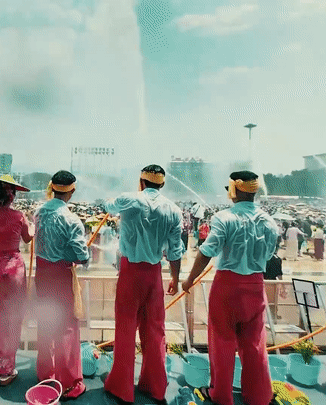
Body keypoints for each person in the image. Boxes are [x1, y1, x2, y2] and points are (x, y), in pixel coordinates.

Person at [182, 171, 279, 405]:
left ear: (234, 190)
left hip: (227, 286)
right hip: (255, 286)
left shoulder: (224, 218)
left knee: (222, 342)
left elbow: (206, 252)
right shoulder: (269, 222)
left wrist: (190, 279)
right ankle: (259, 395)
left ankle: (220, 394)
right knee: (254, 344)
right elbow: (268, 256)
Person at [103, 164, 185, 404]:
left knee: (125, 329)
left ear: (141, 181)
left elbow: (108, 206)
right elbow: (175, 251)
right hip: (154, 274)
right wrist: (175, 278)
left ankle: (122, 388)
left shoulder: (129, 200)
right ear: (162, 184)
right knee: (155, 330)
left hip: (130, 272)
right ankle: (155, 386)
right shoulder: (173, 209)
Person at [33, 170, 89, 400]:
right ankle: (68, 383)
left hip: (42, 274)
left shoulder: (38, 212)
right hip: (61, 276)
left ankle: (46, 374)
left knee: (46, 321)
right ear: (72, 191)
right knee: (67, 327)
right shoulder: (72, 219)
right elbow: (81, 255)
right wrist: (81, 257)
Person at [0, 174, 34, 385]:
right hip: (14, 270)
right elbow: (28, 238)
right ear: (12, 196)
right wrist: (32, 223)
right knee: (12, 317)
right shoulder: (19, 216)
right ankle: (7, 369)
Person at [264, 244, 287, 320]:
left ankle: (271, 315)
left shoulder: (260, 257)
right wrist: (283, 286)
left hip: (261, 281)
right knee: (272, 301)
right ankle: (273, 315)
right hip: (271, 283)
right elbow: (279, 275)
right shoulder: (277, 259)